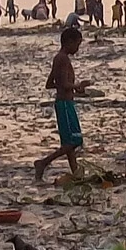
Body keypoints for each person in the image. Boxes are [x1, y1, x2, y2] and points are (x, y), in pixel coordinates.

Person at [35, 26, 87, 181]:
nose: (77, 48)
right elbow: (63, 84)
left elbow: (50, 84)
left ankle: (76, 173)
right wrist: (77, 85)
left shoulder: (59, 58)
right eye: (77, 44)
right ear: (69, 42)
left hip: (64, 102)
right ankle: (43, 162)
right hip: (65, 104)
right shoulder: (63, 59)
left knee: (68, 143)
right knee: (75, 141)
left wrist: (74, 88)